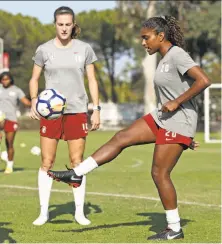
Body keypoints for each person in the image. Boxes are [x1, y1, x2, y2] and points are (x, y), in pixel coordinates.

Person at [48, 15, 211, 240]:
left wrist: (179, 108)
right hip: (163, 118)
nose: (143, 43)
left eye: (146, 38)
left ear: (160, 36)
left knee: (159, 173)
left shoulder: (177, 55)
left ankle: (174, 229)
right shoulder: (163, 59)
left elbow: (203, 80)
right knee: (122, 137)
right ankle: (77, 174)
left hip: (178, 120)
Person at [29, 6, 100, 226]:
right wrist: (33, 100)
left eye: (68, 24)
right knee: (47, 162)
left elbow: (92, 80)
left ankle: (79, 212)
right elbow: (34, 79)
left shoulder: (85, 48)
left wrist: (96, 109)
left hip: (77, 111)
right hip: (51, 115)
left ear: (73, 24)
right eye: (60, 24)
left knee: (77, 162)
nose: (64, 28)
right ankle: (44, 213)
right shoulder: (44, 50)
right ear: (55, 25)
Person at [0, 72, 31, 174]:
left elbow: (26, 102)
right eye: (3, 79)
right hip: (0, 118)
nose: (5, 81)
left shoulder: (16, 90)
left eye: (7, 79)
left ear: (11, 79)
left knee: (9, 143)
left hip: (11, 119)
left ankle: (9, 166)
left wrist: (37, 104)